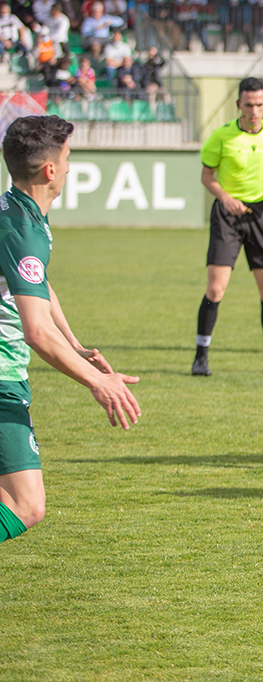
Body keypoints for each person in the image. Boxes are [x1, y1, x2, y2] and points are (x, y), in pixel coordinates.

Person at [0, 115, 142, 544]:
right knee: (27, 504)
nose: (67, 167)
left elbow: (36, 284)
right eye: (66, 159)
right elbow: (37, 332)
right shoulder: (24, 230)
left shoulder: (19, 213)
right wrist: (98, 383)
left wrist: (76, 346)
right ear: (49, 170)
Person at [193, 77, 263, 376]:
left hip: (261, 215)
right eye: (248, 105)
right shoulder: (221, 136)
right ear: (238, 105)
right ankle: (201, 358)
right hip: (227, 217)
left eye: (259, 104)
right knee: (216, 287)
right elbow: (206, 176)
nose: (254, 110)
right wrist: (224, 197)